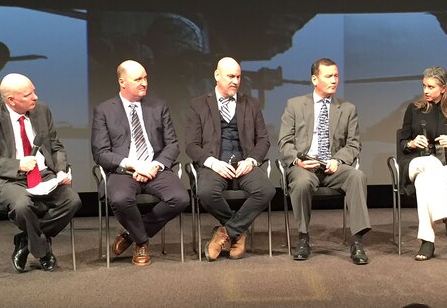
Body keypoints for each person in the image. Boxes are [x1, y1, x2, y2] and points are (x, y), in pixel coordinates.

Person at [0, 73, 81, 272]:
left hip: (44, 174)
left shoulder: (42, 111)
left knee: (72, 201)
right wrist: (17, 165)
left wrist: (62, 170)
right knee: (22, 206)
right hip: (9, 179)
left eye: (34, 91)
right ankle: (43, 251)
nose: (36, 97)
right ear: (11, 100)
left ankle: (26, 240)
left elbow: (55, 146)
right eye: (29, 94)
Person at [91, 60, 189, 266]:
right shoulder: (104, 110)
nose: (144, 83)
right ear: (122, 82)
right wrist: (134, 165)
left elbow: (172, 144)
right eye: (138, 79)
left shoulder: (158, 106)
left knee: (180, 198)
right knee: (119, 199)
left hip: (155, 168)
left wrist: (154, 165)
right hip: (123, 171)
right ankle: (142, 241)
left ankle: (131, 234)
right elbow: (100, 153)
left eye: (145, 77)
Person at [278, 58, 370, 265]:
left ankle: (357, 242)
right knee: (301, 183)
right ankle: (303, 238)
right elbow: (284, 142)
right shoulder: (294, 105)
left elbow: (354, 144)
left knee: (357, 176)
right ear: (314, 79)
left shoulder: (347, 109)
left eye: (336, 76)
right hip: (305, 166)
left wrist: (338, 160)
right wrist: (298, 161)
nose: (334, 80)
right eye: (328, 76)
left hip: (333, 165)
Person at [185, 57, 275, 261]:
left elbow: (263, 140)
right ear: (217, 76)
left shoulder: (251, 104)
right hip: (215, 164)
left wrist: (251, 160)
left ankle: (225, 232)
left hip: (244, 163)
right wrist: (213, 163)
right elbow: (191, 145)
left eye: (238, 76)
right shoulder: (198, 105)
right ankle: (239, 231)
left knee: (267, 190)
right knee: (206, 192)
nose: (235, 81)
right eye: (230, 76)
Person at [397, 67, 447, 261]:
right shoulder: (414, 108)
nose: (426, 91)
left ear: (444, 88)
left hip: (443, 167)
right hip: (413, 163)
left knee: (424, 181)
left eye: (431, 87)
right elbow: (402, 143)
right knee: (428, 164)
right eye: (424, 86)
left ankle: (427, 241)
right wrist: (412, 143)